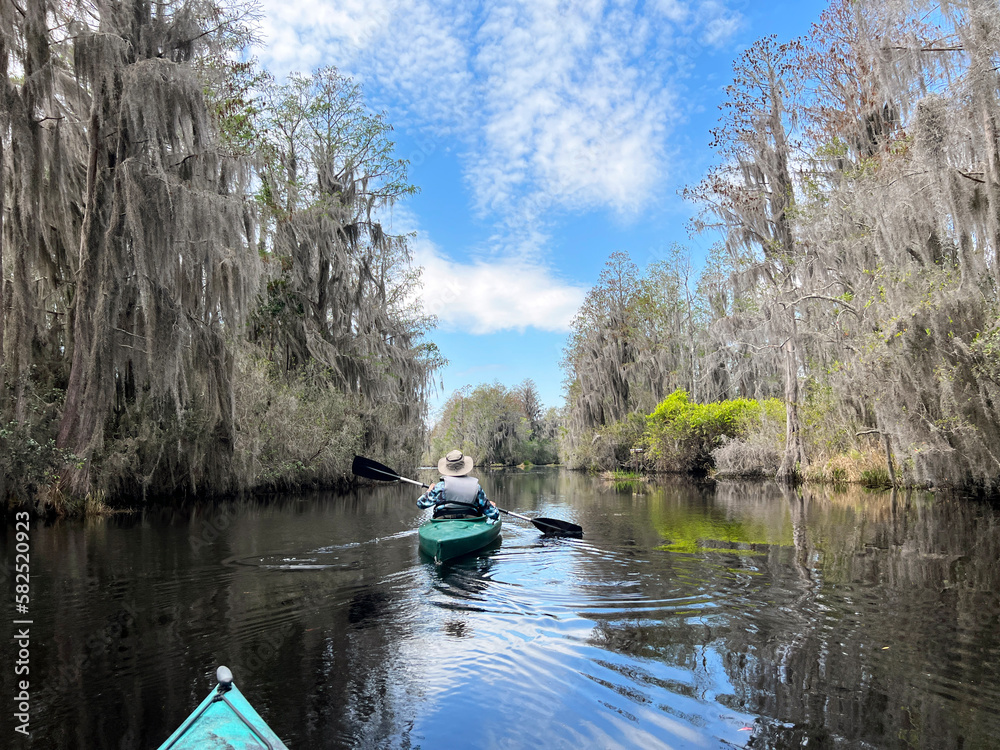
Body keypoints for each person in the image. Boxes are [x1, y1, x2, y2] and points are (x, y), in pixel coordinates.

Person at [418, 450, 499, 520]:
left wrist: (429, 490)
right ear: (464, 466)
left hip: (442, 520)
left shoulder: (440, 487)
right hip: (471, 520)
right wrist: (492, 506)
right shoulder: (476, 487)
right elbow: (494, 514)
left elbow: (421, 504)